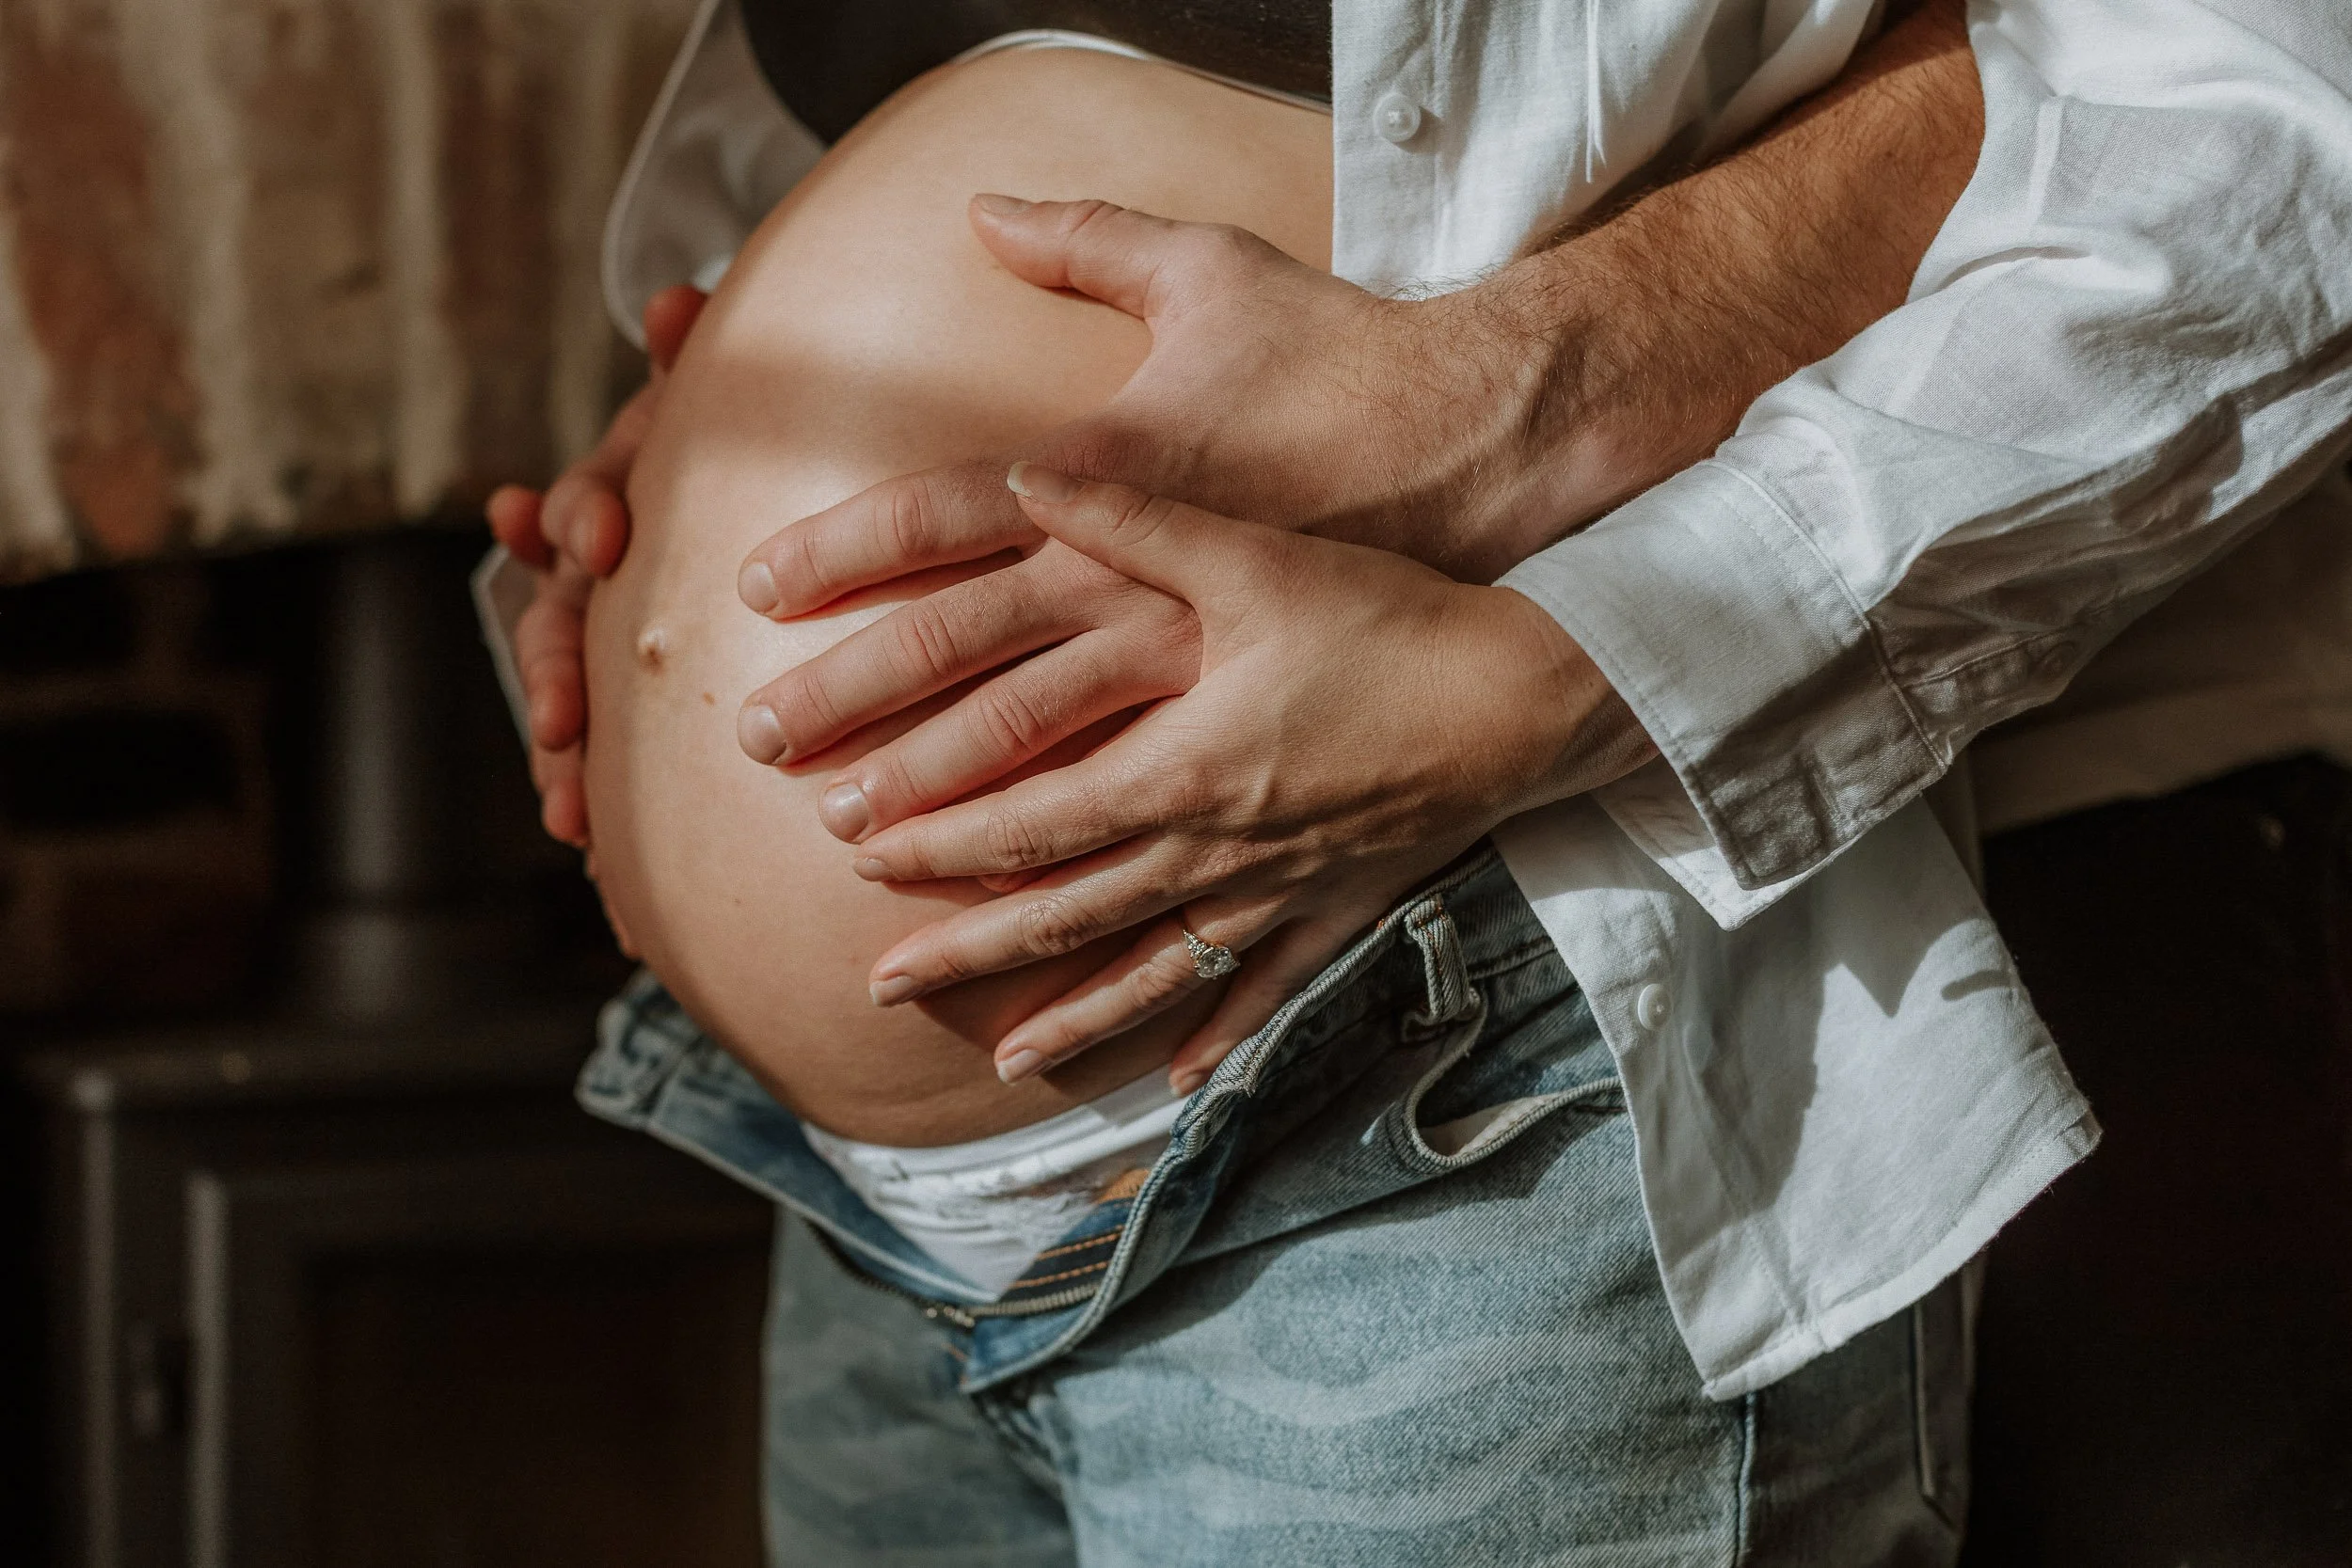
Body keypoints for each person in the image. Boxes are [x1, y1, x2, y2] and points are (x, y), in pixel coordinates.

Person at [489, 0, 2352, 1560]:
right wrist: (723, 389)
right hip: (855, 1201)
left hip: (1449, 1078)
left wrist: (1585, 645)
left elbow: (2259, 90)